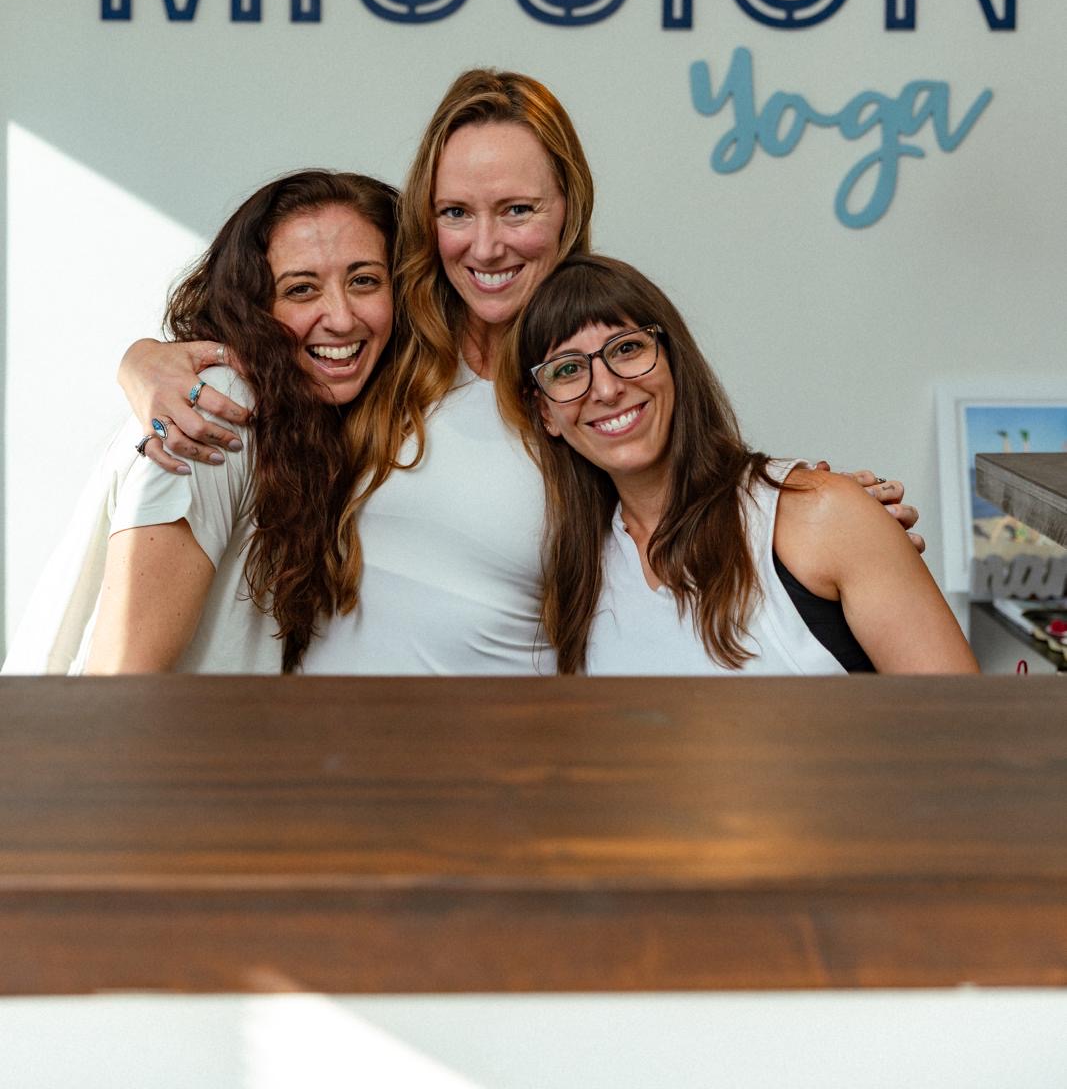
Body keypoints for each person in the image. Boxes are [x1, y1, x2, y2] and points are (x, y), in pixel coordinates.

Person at [111, 70, 924, 674]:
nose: (486, 246)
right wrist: (140, 366)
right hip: (318, 770)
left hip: (492, 777)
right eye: (456, 212)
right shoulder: (389, 348)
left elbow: (696, 487)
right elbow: (273, 343)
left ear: (568, 204)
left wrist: (823, 514)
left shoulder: (585, 380)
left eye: (518, 210)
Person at [502, 254, 978, 675]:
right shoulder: (581, 574)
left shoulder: (820, 515)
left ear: (673, 358)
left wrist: (856, 516)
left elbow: (966, 735)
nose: (605, 389)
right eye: (567, 369)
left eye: (627, 348)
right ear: (546, 413)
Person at [3, 170, 397, 675]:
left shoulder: (323, 422)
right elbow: (123, 681)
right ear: (252, 306)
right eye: (301, 289)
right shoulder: (217, 408)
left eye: (364, 280)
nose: (341, 318)